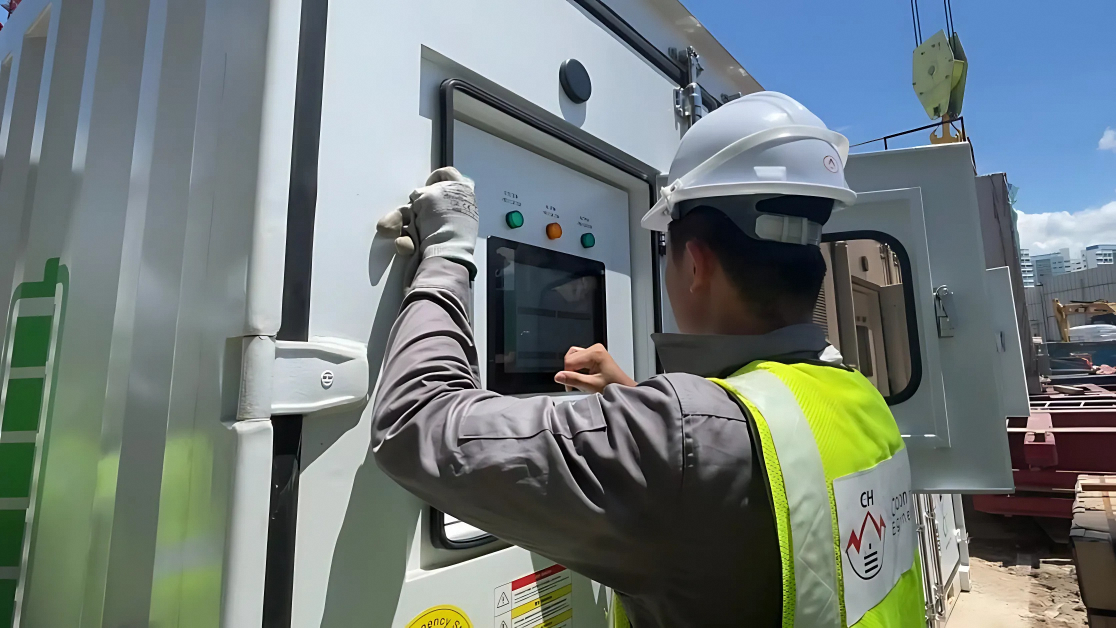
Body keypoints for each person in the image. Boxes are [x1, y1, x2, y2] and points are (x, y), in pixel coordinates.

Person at [371, 92, 924, 627]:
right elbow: (745, 475)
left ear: (697, 265)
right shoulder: (857, 399)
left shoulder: (680, 434)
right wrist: (632, 401)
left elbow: (417, 424)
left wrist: (446, 254)